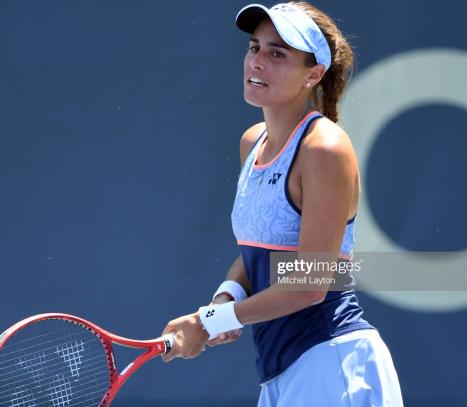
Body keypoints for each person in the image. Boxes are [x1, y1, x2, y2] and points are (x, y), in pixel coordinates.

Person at [161, 2, 403, 406]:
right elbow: (262, 251)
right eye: (254, 47)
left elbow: (310, 284)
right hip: (281, 372)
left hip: (333, 363)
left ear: (314, 74)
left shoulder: (324, 148)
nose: (257, 62)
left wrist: (207, 323)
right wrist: (225, 298)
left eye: (278, 54)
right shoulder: (251, 141)